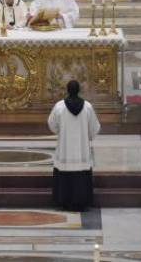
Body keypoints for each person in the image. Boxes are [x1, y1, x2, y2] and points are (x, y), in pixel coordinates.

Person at [48, 80, 101, 211]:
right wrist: (86, 135)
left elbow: (52, 125)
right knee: (80, 175)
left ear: (67, 90)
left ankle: (64, 201)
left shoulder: (59, 106)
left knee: (64, 173)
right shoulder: (87, 107)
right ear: (79, 90)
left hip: (65, 150)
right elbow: (94, 128)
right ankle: (81, 202)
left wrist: (62, 132)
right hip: (81, 151)